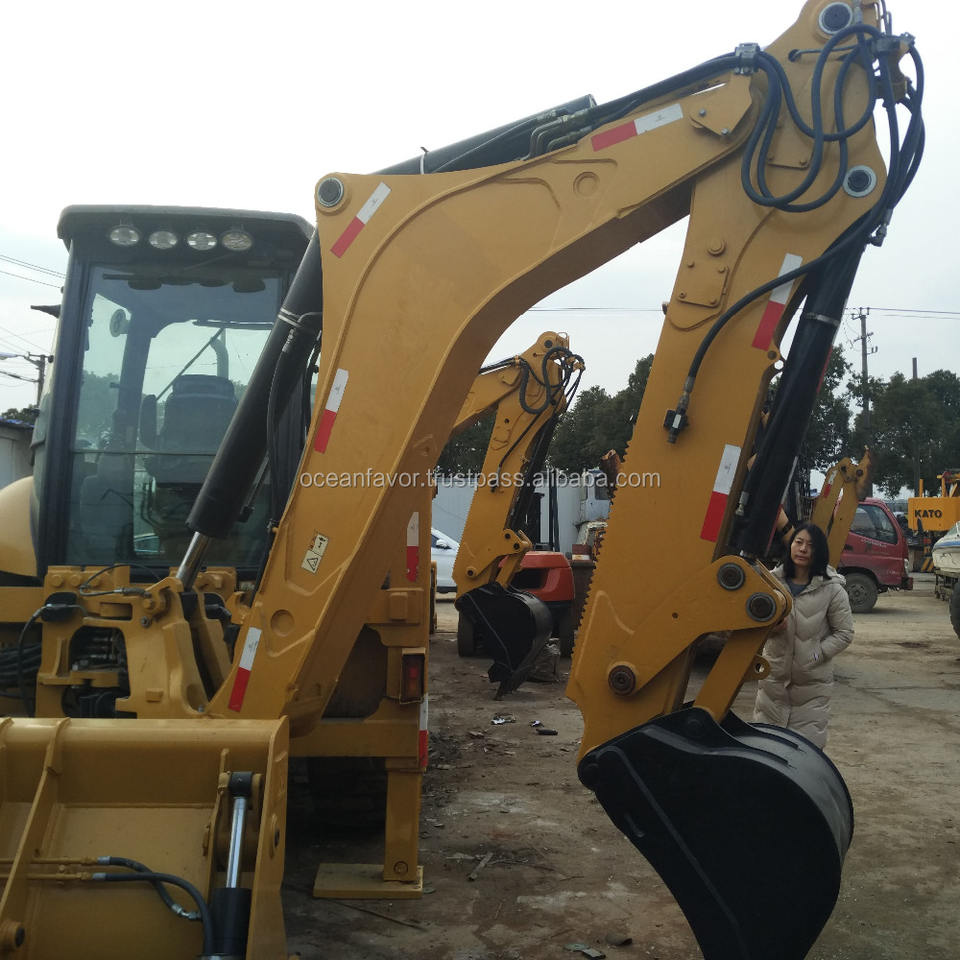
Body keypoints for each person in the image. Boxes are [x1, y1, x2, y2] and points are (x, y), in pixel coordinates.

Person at [753, 522, 854, 749]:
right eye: (798, 542)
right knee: (767, 748)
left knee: (804, 751)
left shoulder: (832, 589)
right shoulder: (771, 583)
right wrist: (770, 629)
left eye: (810, 545)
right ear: (790, 546)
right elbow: (752, 624)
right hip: (773, 683)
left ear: (819, 551)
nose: (803, 549)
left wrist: (816, 655)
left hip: (812, 687)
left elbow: (844, 633)